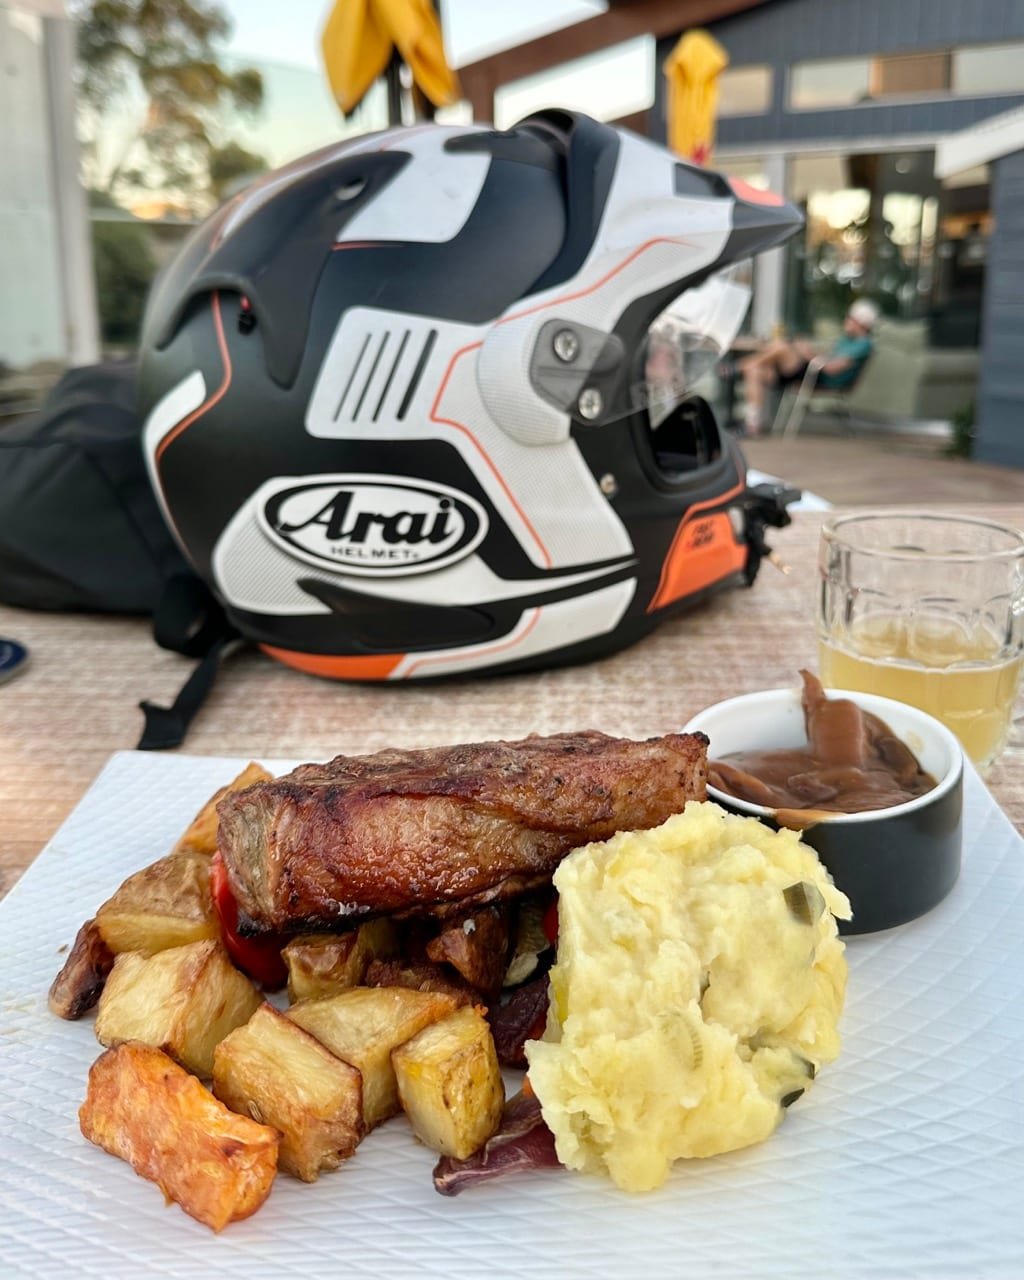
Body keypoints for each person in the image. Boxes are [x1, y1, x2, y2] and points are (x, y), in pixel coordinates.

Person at [738, 298, 879, 435]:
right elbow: (828, 358)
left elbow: (832, 369)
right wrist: (808, 350)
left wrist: (808, 354)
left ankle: (738, 366)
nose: (846, 321)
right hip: (809, 374)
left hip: (820, 379)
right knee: (754, 370)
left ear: (862, 323)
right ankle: (752, 425)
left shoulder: (863, 345)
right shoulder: (846, 340)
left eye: (851, 318)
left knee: (781, 346)